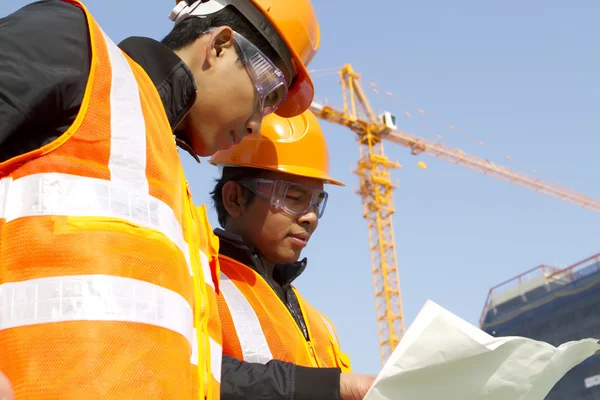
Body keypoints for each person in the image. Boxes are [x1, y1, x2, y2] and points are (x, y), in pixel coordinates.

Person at [0, 0, 320, 398]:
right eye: (267, 93)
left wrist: (335, 388)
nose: (257, 123)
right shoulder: (77, 51)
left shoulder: (171, 198)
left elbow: (199, 371)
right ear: (220, 45)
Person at [209, 110, 377, 400]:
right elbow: (185, 368)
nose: (310, 216)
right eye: (294, 198)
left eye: (317, 202)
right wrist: (330, 387)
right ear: (234, 198)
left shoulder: (320, 324)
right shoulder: (197, 283)